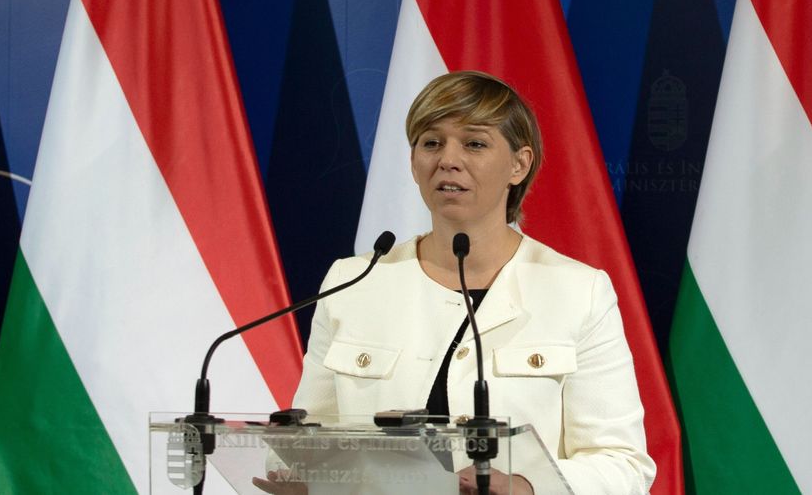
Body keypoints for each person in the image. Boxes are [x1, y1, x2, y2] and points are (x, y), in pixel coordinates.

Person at [275, 71, 655, 494]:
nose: (448, 159)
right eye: (431, 143)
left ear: (519, 164)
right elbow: (308, 439)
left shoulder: (578, 292)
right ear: (414, 162)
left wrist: (527, 487)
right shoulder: (353, 283)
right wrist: (301, 475)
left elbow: (623, 465)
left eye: (474, 143)